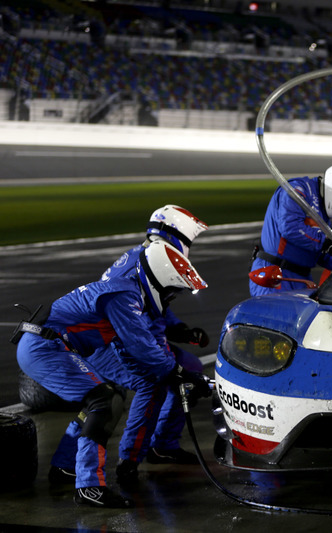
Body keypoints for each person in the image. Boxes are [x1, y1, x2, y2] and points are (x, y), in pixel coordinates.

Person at [14, 241, 211, 508]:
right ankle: (89, 486)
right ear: (160, 283)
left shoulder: (127, 293)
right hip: (45, 347)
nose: (169, 299)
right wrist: (179, 372)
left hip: (52, 345)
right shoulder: (124, 296)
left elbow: (131, 350)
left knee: (111, 394)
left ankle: (65, 466)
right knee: (103, 401)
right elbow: (141, 345)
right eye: (171, 292)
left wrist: (171, 372)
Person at [48, 205, 210, 487]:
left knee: (190, 368)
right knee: (153, 383)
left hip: (129, 339)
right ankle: (129, 460)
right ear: (176, 235)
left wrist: (179, 329)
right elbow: (132, 330)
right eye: (188, 239)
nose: (189, 246)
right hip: (112, 343)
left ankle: (162, 446)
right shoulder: (140, 265)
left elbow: (153, 308)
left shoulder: (145, 258)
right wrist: (169, 367)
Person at [249, 161, 332, 296]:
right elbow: (290, 227)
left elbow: (320, 253)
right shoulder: (298, 191)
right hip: (274, 276)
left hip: (301, 279)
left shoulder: (328, 216)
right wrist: (327, 245)